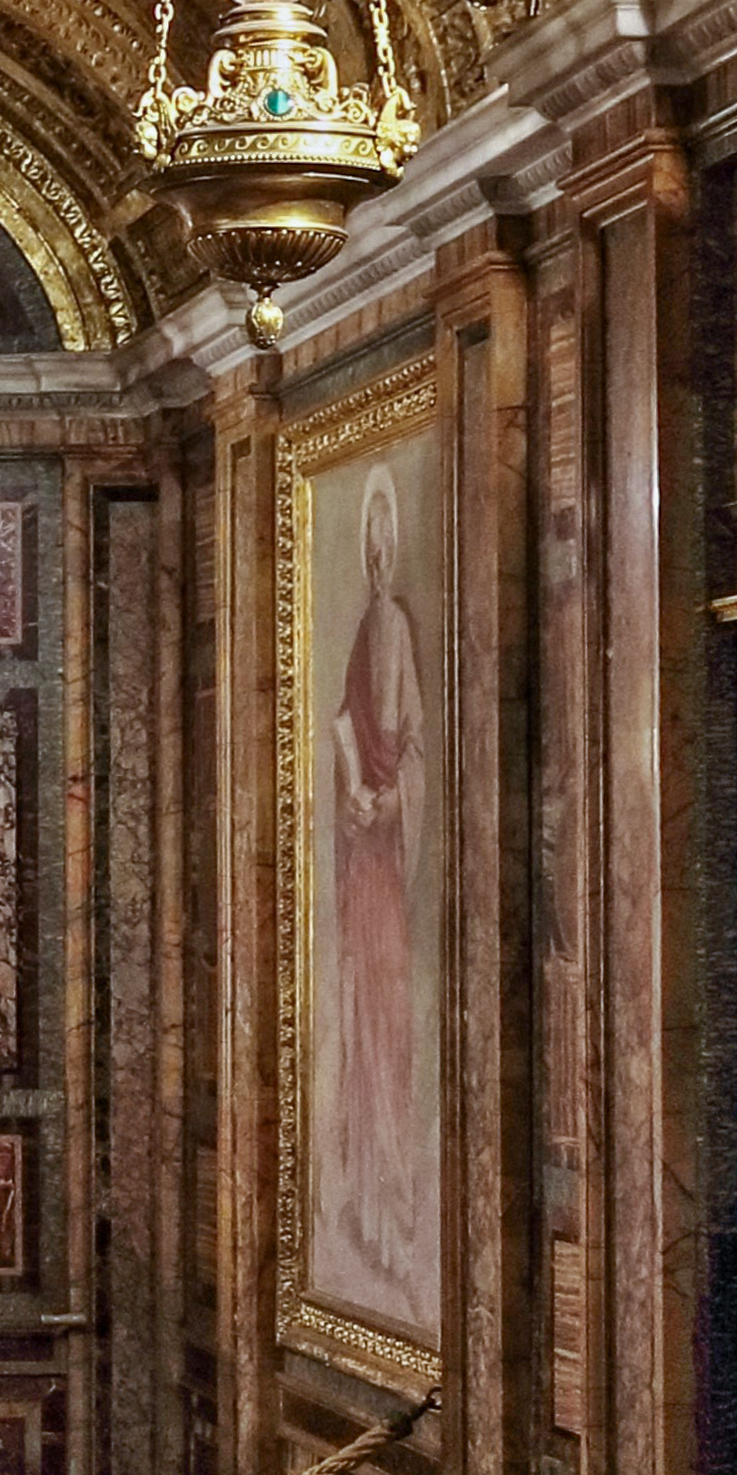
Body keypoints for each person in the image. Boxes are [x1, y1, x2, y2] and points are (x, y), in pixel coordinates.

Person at [321, 466, 433, 1322]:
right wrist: (353, 788)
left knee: (389, 1020)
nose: (379, 547)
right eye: (370, 536)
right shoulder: (367, 625)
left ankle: (393, 1205)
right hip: (366, 861)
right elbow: (347, 733)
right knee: (363, 1012)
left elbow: (420, 752)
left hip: (388, 864)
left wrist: (387, 798)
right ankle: (363, 1194)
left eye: (387, 535)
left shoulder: (393, 623)